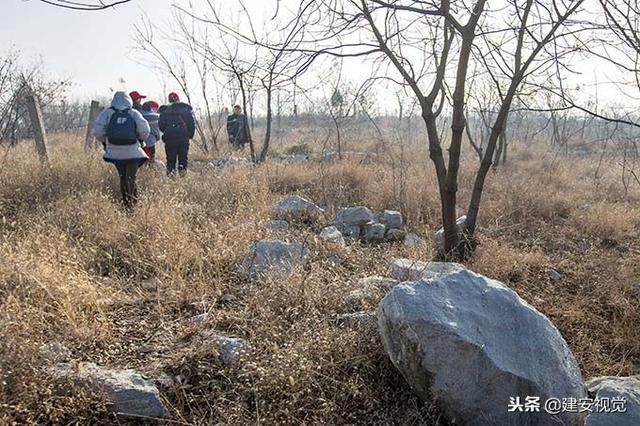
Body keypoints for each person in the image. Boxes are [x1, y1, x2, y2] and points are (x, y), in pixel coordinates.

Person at [92, 91, 150, 209]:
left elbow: (97, 131)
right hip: (133, 152)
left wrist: (106, 142)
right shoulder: (133, 113)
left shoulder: (107, 113)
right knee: (131, 178)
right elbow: (145, 130)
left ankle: (126, 205)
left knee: (123, 178)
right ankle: (133, 205)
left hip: (115, 152)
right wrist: (139, 139)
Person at [159, 92, 195, 176]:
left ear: (169, 100)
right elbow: (191, 124)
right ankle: (183, 178)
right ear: (178, 99)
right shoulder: (186, 109)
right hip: (183, 138)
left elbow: (161, 126)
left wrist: (168, 131)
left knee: (170, 161)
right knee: (183, 160)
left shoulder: (165, 110)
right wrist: (189, 135)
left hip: (170, 139)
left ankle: (171, 181)